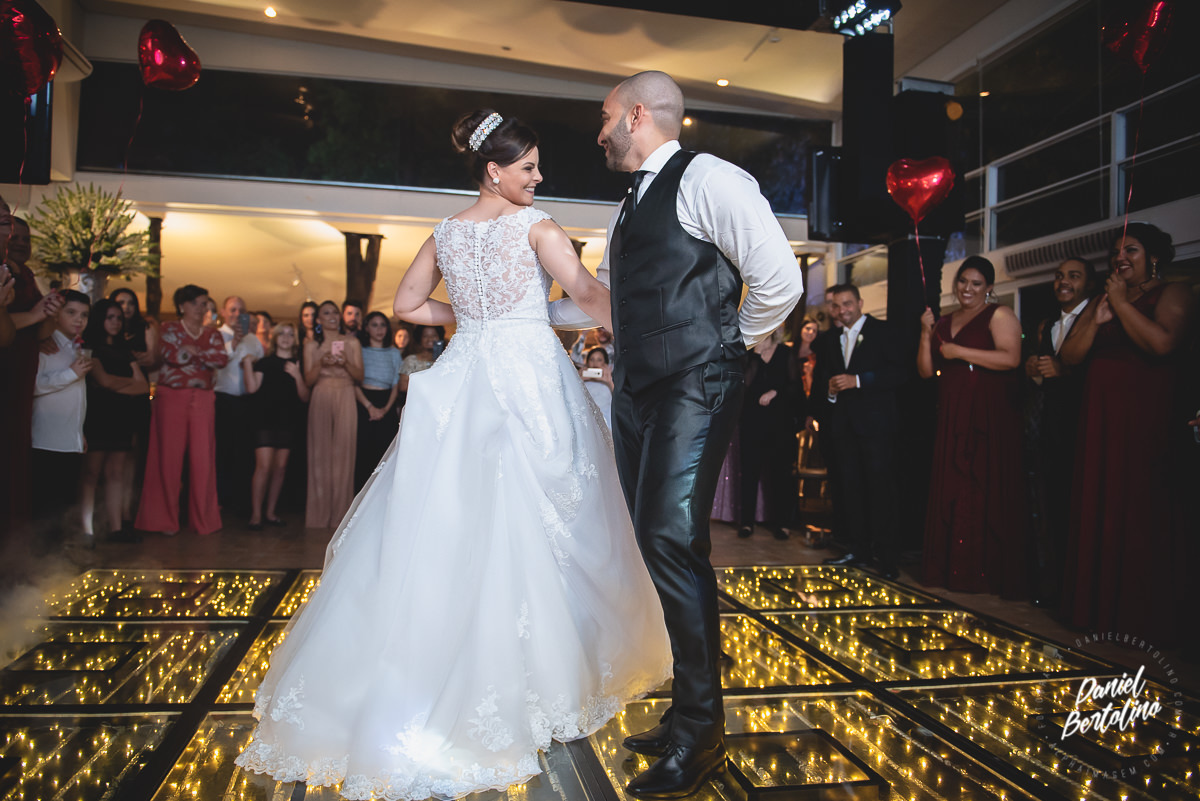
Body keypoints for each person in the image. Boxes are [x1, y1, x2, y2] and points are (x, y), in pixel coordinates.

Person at [237, 109, 670, 798]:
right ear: (494, 170)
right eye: (528, 166)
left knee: (448, 519)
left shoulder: (445, 233)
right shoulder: (539, 227)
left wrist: (470, 317)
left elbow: (409, 305)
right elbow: (588, 295)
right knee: (547, 517)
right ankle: (536, 676)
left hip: (467, 375)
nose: (539, 177)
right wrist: (650, 331)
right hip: (528, 381)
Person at [550, 71, 804, 797]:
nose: (599, 131)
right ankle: (690, 709)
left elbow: (780, 281)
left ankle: (701, 736)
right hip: (637, 392)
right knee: (659, 542)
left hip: (695, 385)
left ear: (636, 115)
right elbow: (613, 299)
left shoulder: (711, 178)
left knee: (668, 538)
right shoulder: (628, 203)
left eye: (605, 117)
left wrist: (729, 347)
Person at [1059, 223, 1194, 642]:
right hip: (1100, 418)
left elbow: (1162, 344)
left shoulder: (1173, 292)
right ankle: (1098, 609)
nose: (1120, 258)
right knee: (1101, 502)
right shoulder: (1103, 299)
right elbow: (1069, 356)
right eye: (1116, 252)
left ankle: (1141, 615)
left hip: (1146, 416)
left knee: (1139, 505)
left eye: (1131, 250)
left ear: (1153, 257)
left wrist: (1120, 302)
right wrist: (1097, 318)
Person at [918, 256, 1027, 598]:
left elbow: (1011, 358)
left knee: (981, 482)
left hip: (987, 413)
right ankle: (951, 568)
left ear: (989, 287)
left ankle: (982, 571)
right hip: (952, 412)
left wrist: (959, 351)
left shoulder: (999, 315)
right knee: (953, 482)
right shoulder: (945, 320)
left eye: (976, 283)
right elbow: (926, 371)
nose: (967, 288)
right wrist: (925, 333)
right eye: (963, 281)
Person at [814, 284, 904, 577]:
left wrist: (859, 380)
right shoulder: (830, 340)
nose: (842, 310)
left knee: (880, 491)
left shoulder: (883, 331)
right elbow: (823, 380)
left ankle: (887, 558)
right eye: (836, 305)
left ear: (860, 303)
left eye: (847, 304)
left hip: (876, 427)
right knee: (850, 490)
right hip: (844, 427)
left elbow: (899, 373)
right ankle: (858, 549)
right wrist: (830, 391)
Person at [1022, 257, 1097, 606]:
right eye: (1059, 276)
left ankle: (1077, 590)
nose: (1063, 281)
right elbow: (1038, 378)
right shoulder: (1046, 324)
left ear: (1088, 283)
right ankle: (1051, 584)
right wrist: (1033, 370)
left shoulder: (1097, 318)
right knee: (1048, 504)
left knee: (1076, 505)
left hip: (1081, 422)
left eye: (1073, 276)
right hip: (1047, 424)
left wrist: (1064, 373)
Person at [135, 285, 228, 536]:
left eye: (204, 303)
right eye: (196, 303)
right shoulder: (169, 329)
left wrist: (193, 352)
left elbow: (220, 359)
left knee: (203, 459)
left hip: (203, 397)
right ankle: (163, 520)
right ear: (181, 306)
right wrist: (200, 355)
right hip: (171, 397)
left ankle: (204, 520)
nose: (201, 308)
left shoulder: (213, 334)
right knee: (167, 458)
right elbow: (171, 355)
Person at [0, 214, 63, 542]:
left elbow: (42, 331)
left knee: (17, 443)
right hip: (6, 364)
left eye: (27, 239)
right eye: (15, 237)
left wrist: (50, 314)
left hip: (24, 366)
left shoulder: (25, 275)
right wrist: (36, 314)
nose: (22, 244)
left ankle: (15, 531)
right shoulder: (5, 273)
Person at [79, 299, 149, 542]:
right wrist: (124, 383)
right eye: (110, 317)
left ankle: (116, 528)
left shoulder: (125, 350)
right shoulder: (90, 348)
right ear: (100, 319)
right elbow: (103, 380)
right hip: (98, 415)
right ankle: (86, 529)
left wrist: (113, 383)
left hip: (121, 416)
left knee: (116, 472)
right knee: (91, 472)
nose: (116, 322)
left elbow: (143, 387)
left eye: (119, 318)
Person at [31, 290, 92, 553]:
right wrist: (70, 373)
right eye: (71, 312)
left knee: (64, 506)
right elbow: (33, 386)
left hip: (69, 440)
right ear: (56, 314)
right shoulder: (44, 346)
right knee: (46, 508)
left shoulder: (76, 347)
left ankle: (56, 560)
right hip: (46, 440)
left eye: (84, 315)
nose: (79, 320)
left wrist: (79, 432)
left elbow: (75, 398)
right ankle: (41, 563)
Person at [303, 300, 364, 528]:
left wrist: (345, 362)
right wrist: (321, 362)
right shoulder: (311, 345)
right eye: (326, 313)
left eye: (334, 313)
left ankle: (340, 516)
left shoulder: (352, 342)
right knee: (319, 454)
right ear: (318, 319)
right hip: (321, 393)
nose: (331, 316)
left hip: (346, 393)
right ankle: (318, 517)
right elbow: (308, 380)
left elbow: (360, 376)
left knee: (344, 454)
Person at [243, 322, 310, 529]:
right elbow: (252, 388)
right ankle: (256, 514)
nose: (286, 337)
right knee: (263, 466)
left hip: (287, 420)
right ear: (275, 337)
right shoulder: (265, 362)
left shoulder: (299, 364)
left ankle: (270, 513)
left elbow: (304, 397)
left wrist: (297, 375)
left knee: (280, 468)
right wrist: (247, 364)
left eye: (290, 334)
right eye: (282, 334)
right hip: (264, 419)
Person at [736, 326, 796, 540]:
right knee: (749, 473)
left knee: (781, 473)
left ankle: (783, 523)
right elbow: (743, 386)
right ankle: (747, 522)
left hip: (780, 423)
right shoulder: (748, 354)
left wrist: (775, 392)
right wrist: (755, 357)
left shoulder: (785, 353)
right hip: (752, 423)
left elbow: (795, 387)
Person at [214, 295, 265, 515]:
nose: (237, 314)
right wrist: (234, 341)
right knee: (222, 452)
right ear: (223, 312)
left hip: (247, 402)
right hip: (223, 401)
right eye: (232, 310)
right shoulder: (215, 336)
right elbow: (217, 362)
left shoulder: (253, 339)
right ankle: (219, 501)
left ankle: (241, 503)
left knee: (244, 453)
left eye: (241, 311)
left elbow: (261, 365)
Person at [353, 311, 403, 491]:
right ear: (366, 328)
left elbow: (396, 384)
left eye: (383, 325)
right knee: (363, 453)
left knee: (384, 455)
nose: (379, 329)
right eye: (374, 325)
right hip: (363, 403)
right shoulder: (359, 350)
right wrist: (369, 407)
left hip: (386, 404)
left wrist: (385, 409)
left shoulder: (394, 353)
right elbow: (353, 382)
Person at [398, 323, 443, 392]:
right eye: (425, 336)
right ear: (420, 338)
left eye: (434, 335)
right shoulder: (411, 360)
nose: (430, 339)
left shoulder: (444, 360)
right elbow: (403, 386)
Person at [580, 345, 615, 429]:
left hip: (606, 421)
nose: (595, 363)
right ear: (587, 362)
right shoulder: (582, 380)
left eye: (599, 360)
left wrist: (609, 382)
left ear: (605, 363)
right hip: (586, 419)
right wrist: (579, 381)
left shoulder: (610, 381)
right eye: (592, 359)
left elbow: (620, 401)